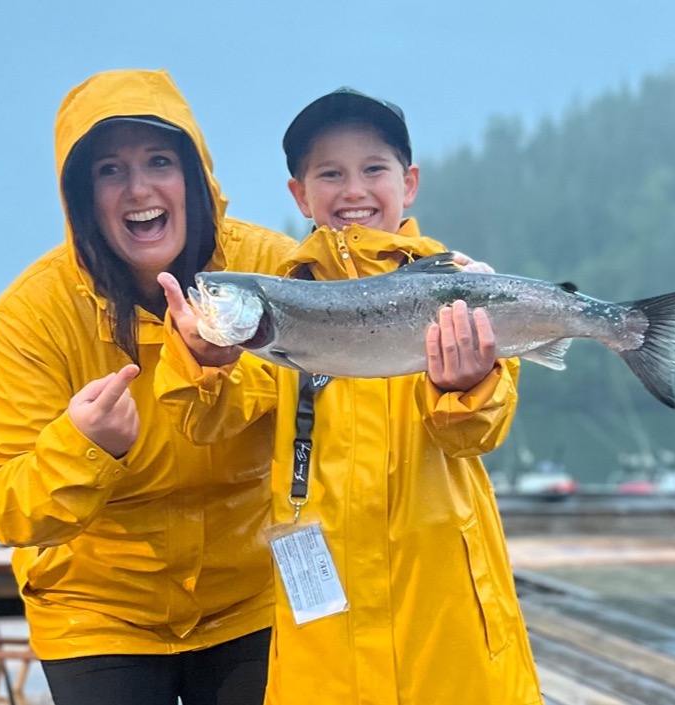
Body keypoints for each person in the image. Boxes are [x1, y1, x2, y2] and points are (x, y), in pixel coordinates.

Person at [156, 87, 543, 704]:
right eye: (329, 173)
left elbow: (478, 434)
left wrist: (466, 387)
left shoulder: (462, 288)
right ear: (300, 195)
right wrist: (202, 363)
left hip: (441, 593)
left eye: (374, 169)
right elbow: (212, 423)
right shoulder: (280, 306)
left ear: (408, 183)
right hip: (324, 605)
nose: (353, 189)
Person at [0, 69, 297, 705]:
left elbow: (340, 382)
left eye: (159, 161)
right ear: (80, 197)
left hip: (252, 593)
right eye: (109, 171)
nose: (139, 188)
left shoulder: (269, 266)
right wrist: (85, 446)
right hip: (96, 608)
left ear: (195, 176)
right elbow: (1, 503)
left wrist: (220, 369)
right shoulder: (33, 312)